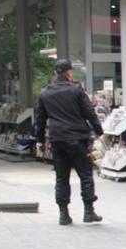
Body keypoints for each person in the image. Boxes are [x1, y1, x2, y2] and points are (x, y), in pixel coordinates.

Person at [34, 59, 104, 226]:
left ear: (55, 73)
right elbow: (89, 112)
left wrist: (39, 141)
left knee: (61, 177)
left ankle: (63, 214)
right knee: (85, 174)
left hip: (57, 139)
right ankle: (88, 211)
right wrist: (99, 130)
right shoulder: (76, 90)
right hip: (77, 138)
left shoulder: (45, 93)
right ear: (68, 73)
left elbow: (40, 120)